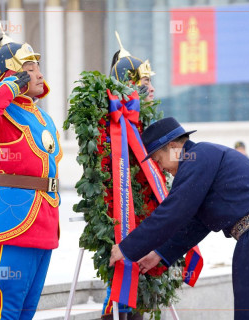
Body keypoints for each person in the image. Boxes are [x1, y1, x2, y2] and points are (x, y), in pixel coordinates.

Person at [110, 117, 249, 320]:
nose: (161, 167)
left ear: (174, 147)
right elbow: (199, 223)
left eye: (158, 159)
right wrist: (160, 253)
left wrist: (127, 247)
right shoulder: (203, 158)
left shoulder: (197, 157)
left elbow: (173, 212)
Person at [0, 30, 62, 320]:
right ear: (12, 74)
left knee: (26, 311)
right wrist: (9, 88)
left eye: (38, 67)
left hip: (43, 221)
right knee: (5, 310)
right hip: (12, 221)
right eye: (29, 68)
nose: (38, 73)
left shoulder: (40, 115)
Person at [100, 32, 157, 320]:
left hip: (147, 217)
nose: (152, 90)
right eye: (145, 84)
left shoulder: (148, 124)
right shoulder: (112, 126)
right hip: (121, 216)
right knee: (122, 292)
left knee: (142, 295)